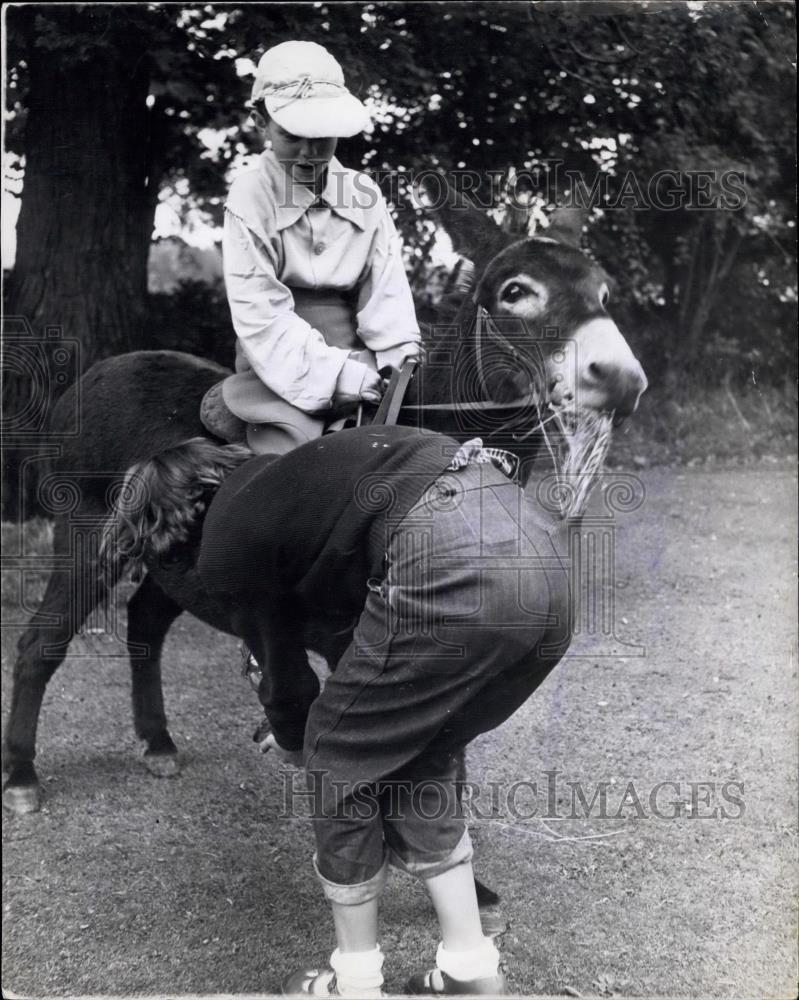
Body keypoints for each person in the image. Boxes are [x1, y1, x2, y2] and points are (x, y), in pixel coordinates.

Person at [198, 425, 572, 996]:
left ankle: (355, 980)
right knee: (420, 744)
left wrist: (296, 742)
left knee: (338, 750)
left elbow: (287, 681)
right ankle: (470, 970)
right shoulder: (309, 482)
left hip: (448, 553)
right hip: (544, 558)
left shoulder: (227, 533)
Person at [221, 40, 423, 455]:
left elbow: (386, 293)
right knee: (296, 464)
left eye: (323, 137)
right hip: (280, 365)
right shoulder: (249, 196)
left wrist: (399, 365)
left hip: (364, 356)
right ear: (260, 121)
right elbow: (262, 316)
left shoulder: (362, 193)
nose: (310, 152)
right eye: (293, 136)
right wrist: (341, 377)